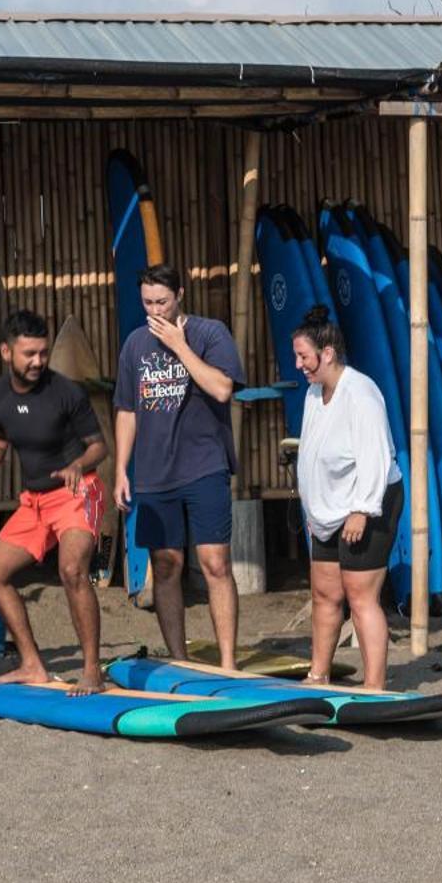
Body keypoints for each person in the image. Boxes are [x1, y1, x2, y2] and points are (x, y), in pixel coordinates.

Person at [0, 309, 108, 691]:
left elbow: (98, 447)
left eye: (43, 353)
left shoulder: (66, 392)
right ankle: (31, 665)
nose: (38, 361)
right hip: (35, 502)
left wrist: (78, 464)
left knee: (72, 570)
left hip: (78, 492)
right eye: (29, 354)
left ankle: (92, 669)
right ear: (6, 352)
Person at [112, 264, 245, 668]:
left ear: (180, 295)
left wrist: (180, 345)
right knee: (166, 566)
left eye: (162, 302)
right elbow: (126, 409)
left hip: (204, 465)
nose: (155, 311)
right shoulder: (135, 345)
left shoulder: (209, 333)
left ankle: (227, 663)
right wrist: (121, 468)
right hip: (154, 472)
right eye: (148, 303)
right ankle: (179, 661)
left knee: (215, 562)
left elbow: (223, 388)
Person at [293, 306, 404, 690]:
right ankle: (318, 674)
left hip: (369, 503)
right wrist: (315, 508)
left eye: (303, 356)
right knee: (324, 593)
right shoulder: (312, 393)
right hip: (327, 510)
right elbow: (312, 451)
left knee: (360, 595)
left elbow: (375, 456)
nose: (298, 364)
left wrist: (361, 511)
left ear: (327, 354)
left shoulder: (361, 393)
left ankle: (374, 685)